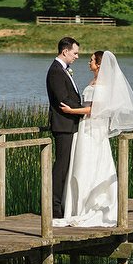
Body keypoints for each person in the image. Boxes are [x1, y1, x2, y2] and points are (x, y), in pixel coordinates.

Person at [55, 50, 133, 227]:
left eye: (91, 60)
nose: (89, 62)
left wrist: (71, 111)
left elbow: (95, 109)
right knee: (81, 163)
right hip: (85, 127)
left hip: (94, 128)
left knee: (91, 163)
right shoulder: (94, 81)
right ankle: (77, 206)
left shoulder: (103, 86)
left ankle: (90, 205)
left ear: (99, 64)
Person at [45, 36, 83, 220]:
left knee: (67, 166)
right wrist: (84, 112)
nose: (77, 56)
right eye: (75, 53)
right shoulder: (55, 71)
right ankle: (53, 207)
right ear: (65, 51)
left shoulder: (63, 70)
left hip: (70, 124)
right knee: (61, 166)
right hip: (63, 125)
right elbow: (63, 100)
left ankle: (62, 204)